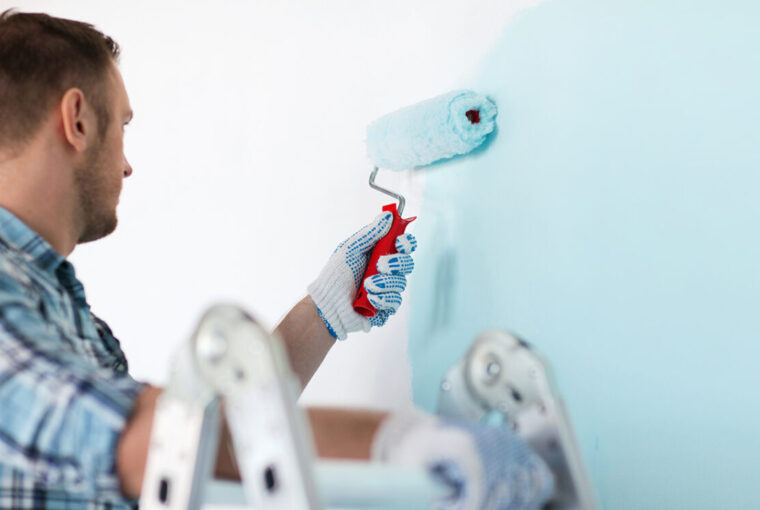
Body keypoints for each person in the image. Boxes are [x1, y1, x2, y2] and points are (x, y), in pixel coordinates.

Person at [0, 9, 554, 510]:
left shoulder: (60, 309)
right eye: (122, 127)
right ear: (76, 120)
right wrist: (402, 443)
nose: (127, 166)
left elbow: (209, 439)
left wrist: (326, 308)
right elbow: (153, 442)